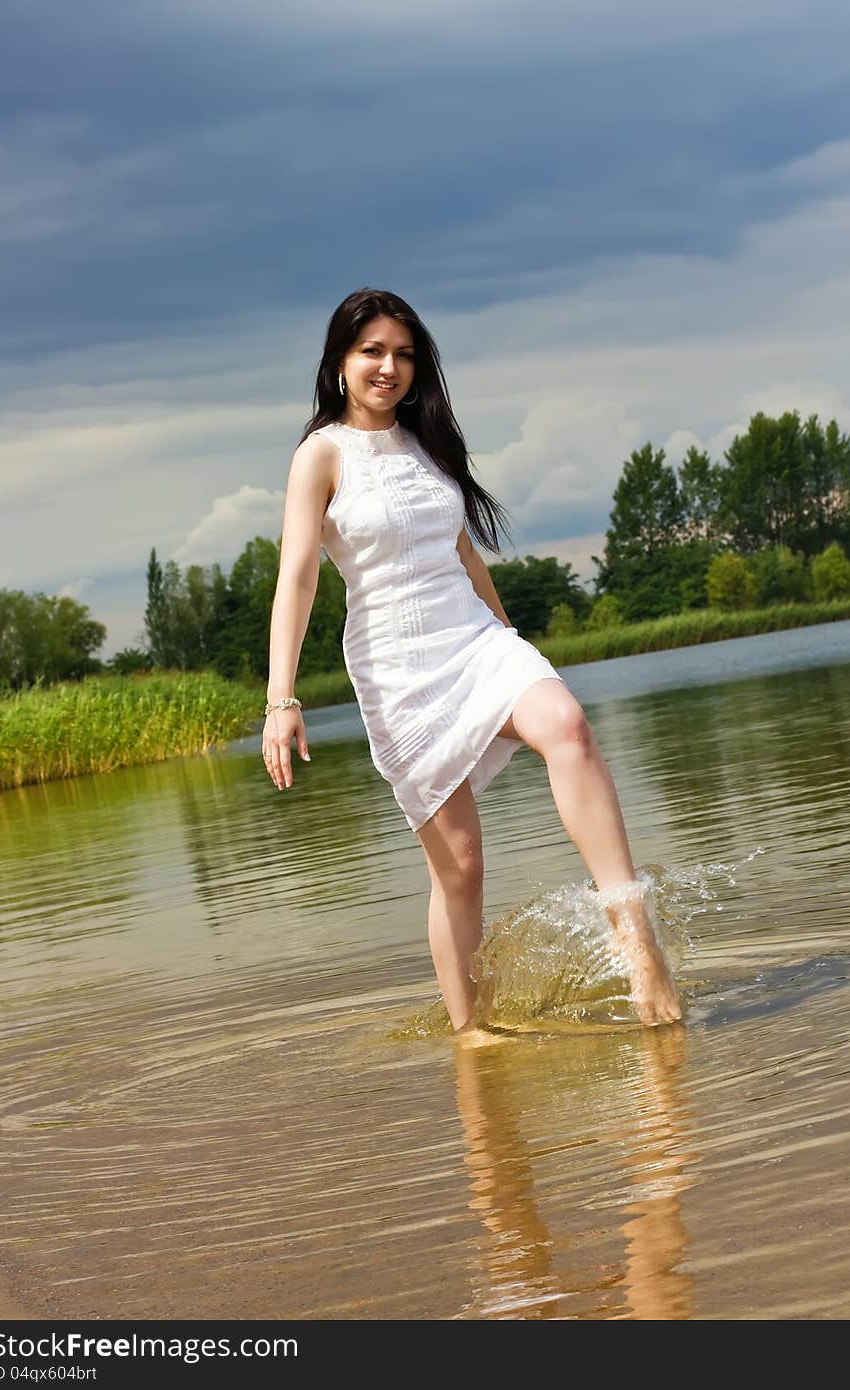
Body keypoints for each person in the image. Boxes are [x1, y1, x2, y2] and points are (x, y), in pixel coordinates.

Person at [262, 287, 682, 1033]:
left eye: (404, 355)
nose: (389, 368)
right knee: (461, 866)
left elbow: (464, 555)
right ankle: (472, 1034)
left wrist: (516, 644)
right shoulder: (320, 456)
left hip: (473, 637)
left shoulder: (429, 444)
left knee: (567, 724)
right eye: (373, 352)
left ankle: (632, 935)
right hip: (395, 666)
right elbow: (297, 575)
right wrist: (281, 698)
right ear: (338, 365)